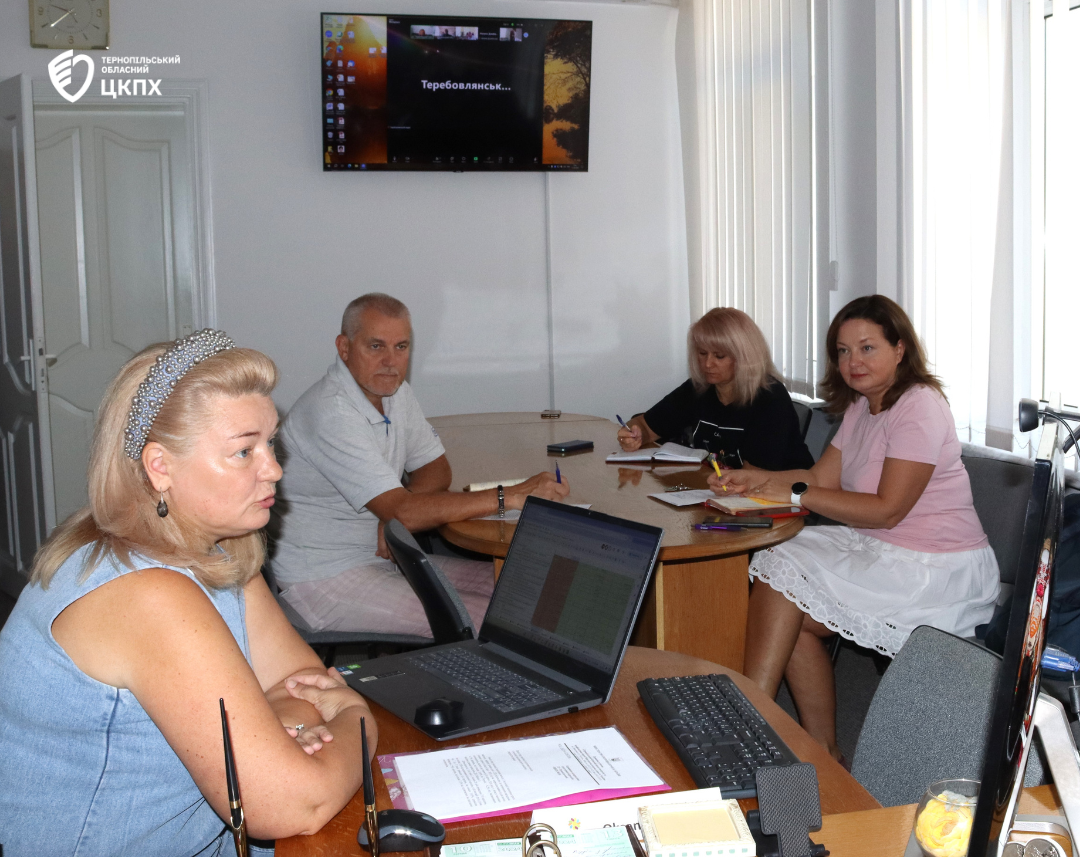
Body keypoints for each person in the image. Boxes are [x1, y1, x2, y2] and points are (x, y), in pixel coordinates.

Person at [0, 330, 374, 854]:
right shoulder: (146, 595)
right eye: (243, 451)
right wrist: (358, 718)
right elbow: (294, 805)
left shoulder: (217, 549)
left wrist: (279, 729)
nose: (274, 468)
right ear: (160, 467)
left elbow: (295, 681)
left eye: (271, 442)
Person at [709, 295, 999, 761]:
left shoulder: (920, 406)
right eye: (843, 351)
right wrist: (755, 480)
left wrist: (793, 494)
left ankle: (749, 723)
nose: (853, 362)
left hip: (934, 566)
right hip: (878, 546)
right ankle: (821, 753)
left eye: (867, 348)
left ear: (899, 348)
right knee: (787, 595)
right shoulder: (863, 406)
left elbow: (887, 511)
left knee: (784, 572)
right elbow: (820, 479)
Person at [271, 293, 569, 635]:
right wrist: (508, 496)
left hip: (387, 558)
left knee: (534, 589)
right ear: (344, 347)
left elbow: (436, 470)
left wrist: (398, 512)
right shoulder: (331, 412)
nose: (390, 361)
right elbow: (405, 511)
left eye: (401, 347)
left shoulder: (395, 393)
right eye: (376, 346)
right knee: (502, 621)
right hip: (324, 578)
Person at [618, 307, 813, 471]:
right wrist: (634, 436)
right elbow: (645, 425)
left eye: (719, 356)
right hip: (723, 490)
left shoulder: (770, 398)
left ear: (744, 357)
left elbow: (755, 476)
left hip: (783, 496)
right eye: (702, 353)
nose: (708, 364)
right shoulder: (699, 389)